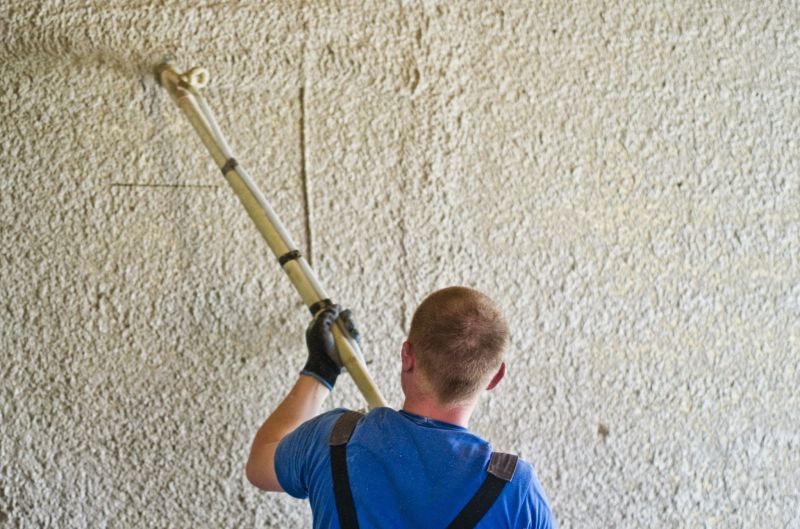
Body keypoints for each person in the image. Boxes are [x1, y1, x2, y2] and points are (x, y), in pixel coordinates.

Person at [246, 286, 555, 528]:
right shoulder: (515, 492)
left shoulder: (333, 439)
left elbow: (260, 466)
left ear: (407, 355)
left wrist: (320, 372)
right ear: (495, 377)